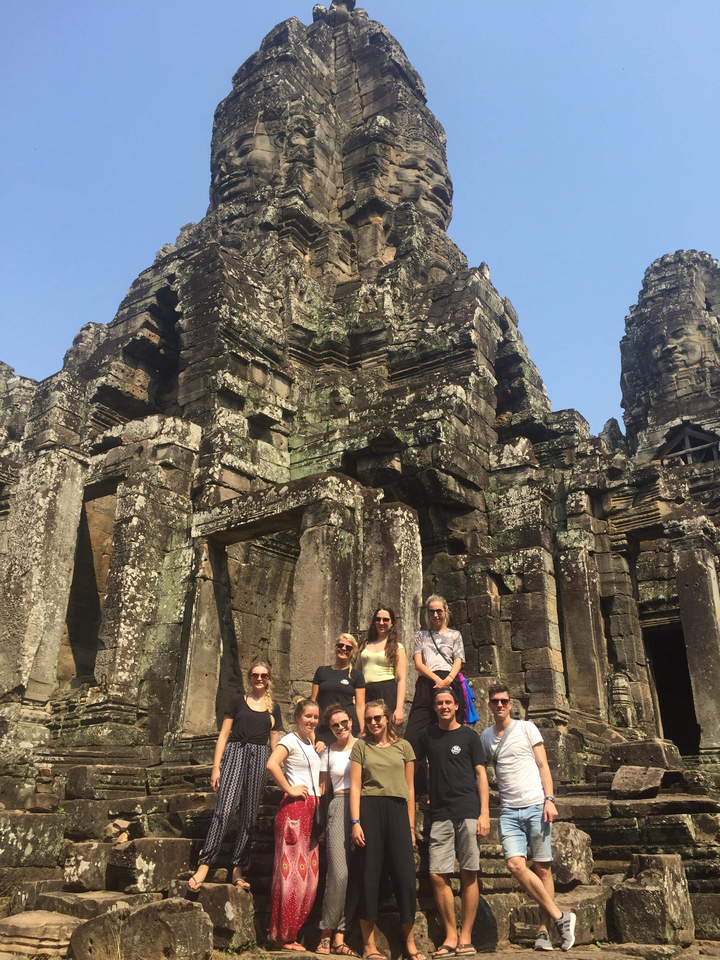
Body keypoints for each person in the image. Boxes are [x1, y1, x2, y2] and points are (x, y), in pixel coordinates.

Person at [480, 684, 576, 952]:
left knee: (542, 868)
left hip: (536, 805)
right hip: (509, 811)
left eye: (504, 701)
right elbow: (479, 772)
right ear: (489, 706)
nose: (499, 705)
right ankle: (560, 916)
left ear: (510, 704)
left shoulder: (526, 729)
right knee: (515, 865)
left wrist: (550, 799)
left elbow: (543, 765)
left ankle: (544, 931)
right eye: (495, 702)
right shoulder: (486, 737)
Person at [188, 662, 283, 892]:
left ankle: (238, 868)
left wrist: (281, 770)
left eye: (263, 675)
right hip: (235, 752)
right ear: (249, 677)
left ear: (269, 678)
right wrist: (216, 767)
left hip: (259, 757)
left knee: (250, 815)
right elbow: (223, 735)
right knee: (225, 808)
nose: (259, 678)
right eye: (255, 675)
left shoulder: (274, 708)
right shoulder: (237, 702)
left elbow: (275, 743)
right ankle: (205, 864)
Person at [414, 689, 490, 957]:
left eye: (448, 702)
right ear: (434, 708)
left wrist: (484, 813)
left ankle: (466, 936)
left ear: (457, 706)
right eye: (439, 703)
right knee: (437, 873)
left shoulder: (469, 736)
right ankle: (450, 934)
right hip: (440, 813)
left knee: (469, 871)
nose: (444, 706)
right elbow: (412, 764)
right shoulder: (428, 735)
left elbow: (480, 774)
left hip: (468, 810)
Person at [349, 700, 424, 960]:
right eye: (369, 719)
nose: (373, 723)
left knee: (405, 877)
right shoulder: (361, 746)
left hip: (397, 811)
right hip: (369, 809)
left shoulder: (404, 747)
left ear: (388, 717)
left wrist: (411, 825)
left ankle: (410, 943)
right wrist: (355, 822)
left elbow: (410, 789)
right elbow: (355, 787)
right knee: (369, 873)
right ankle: (368, 945)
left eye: (378, 718)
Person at [267, 698, 322, 951]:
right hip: (294, 810)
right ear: (298, 717)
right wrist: (288, 788)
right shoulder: (289, 740)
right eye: (307, 716)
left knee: (309, 875)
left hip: (312, 809)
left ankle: (292, 932)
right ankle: (283, 936)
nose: (312, 721)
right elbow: (272, 763)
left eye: (315, 717)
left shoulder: (310, 743)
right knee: (291, 876)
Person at [317, 705, 361, 958]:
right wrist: (321, 824)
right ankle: (325, 933)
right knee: (339, 873)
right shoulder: (329, 752)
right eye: (335, 725)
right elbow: (323, 790)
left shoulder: (363, 746)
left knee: (356, 873)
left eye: (344, 722)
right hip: (339, 806)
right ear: (330, 728)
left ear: (351, 722)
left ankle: (340, 937)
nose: (341, 727)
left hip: (364, 807)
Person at [312, 635, 366, 747]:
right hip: (325, 726)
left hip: (347, 726)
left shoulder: (357, 675)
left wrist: (362, 729)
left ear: (353, 652)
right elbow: (313, 703)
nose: (344, 649)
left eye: (348, 648)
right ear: (336, 647)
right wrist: (312, 728)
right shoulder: (321, 671)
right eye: (340, 645)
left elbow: (360, 705)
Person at [357, 607, 407, 728]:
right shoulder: (365, 643)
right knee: (366, 728)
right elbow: (357, 672)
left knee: (385, 729)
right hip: (365, 690)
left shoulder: (397, 647)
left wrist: (399, 708)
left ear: (392, 623)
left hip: (386, 689)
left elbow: (401, 680)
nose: (381, 623)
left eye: (385, 620)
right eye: (378, 619)